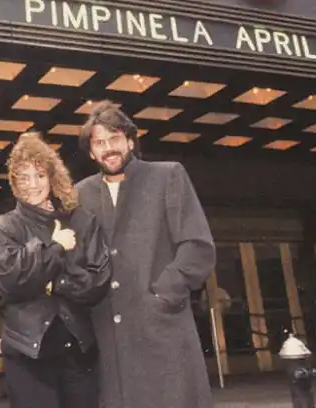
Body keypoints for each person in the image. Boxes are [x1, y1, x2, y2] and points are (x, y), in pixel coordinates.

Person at [76, 101, 216, 408]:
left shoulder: (167, 176)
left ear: (130, 140)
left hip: (162, 329)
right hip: (110, 341)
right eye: (99, 143)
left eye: (114, 139)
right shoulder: (81, 193)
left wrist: (162, 296)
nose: (108, 148)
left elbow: (197, 246)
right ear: (91, 152)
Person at [0, 132, 110, 408]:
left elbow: (98, 280)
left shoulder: (82, 221)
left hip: (79, 351)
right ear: (14, 182)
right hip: (28, 355)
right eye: (24, 177)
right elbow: (11, 283)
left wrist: (54, 283)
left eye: (39, 175)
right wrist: (56, 248)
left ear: (52, 177)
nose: (33, 184)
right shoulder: (0, 229)